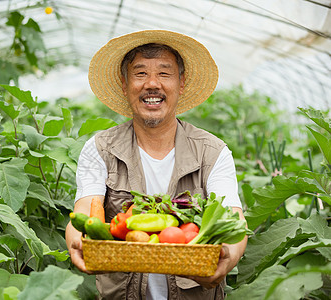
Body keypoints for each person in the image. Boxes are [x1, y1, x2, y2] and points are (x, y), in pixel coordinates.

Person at [65, 30, 248, 300]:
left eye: (164, 74)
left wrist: (227, 259)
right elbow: (83, 210)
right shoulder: (100, 149)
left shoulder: (212, 152)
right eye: (140, 74)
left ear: (181, 83)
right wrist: (77, 243)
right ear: (124, 84)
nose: (152, 84)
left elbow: (234, 219)